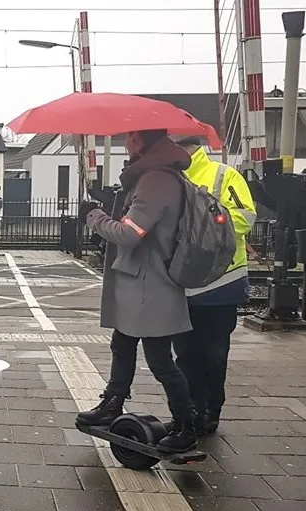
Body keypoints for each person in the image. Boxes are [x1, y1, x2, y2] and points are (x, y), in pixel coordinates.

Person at [75, 129, 198, 453]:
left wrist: (94, 217)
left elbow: (131, 233)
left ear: (142, 140)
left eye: (130, 136)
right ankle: (113, 402)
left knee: (159, 360)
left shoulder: (156, 179)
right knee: (123, 343)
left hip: (151, 284)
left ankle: (186, 425)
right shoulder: (151, 175)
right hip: (142, 280)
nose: (126, 141)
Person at [173, 136, 256, 435]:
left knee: (214, 353)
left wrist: (203, 225)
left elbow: (244, 217)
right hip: (182, 281)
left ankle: (210, 410)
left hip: (221, 279)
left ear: (186, 147)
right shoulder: (170, 178)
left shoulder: (223, 175)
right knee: (185, 353)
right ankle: (190, 411)